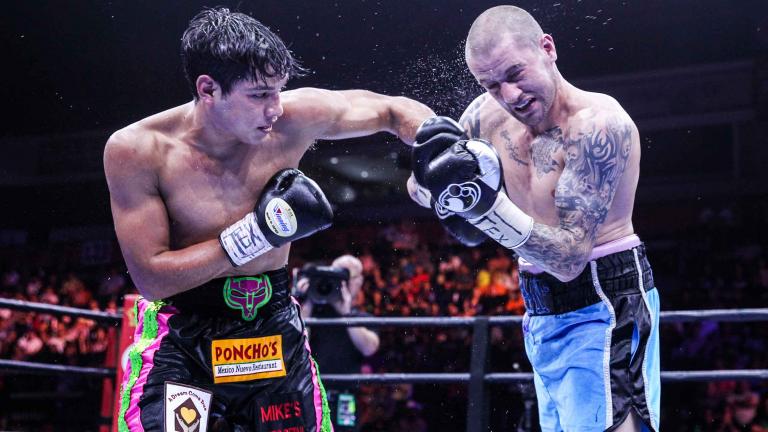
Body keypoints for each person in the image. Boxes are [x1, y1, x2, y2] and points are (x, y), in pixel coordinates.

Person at [104, 7, 433, 432]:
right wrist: (255, 234)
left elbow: (390, 110)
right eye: (259, 94)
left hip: (272, 323)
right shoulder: (139, 150)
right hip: (184, 333)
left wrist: (441, 146)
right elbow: (151, 278)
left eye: (279, 90)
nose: (275, 108)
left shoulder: (292, 120)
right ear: (208, 89)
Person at [408, 5, 660, 432]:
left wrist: (484, 207)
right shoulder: (486, 115)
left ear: (548, 48)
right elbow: (421, 189)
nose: (509, 95)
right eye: (490, 85)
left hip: (603, 298)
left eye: (514, 73)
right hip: (540, 307)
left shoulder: (597, 126)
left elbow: (569, 258)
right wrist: (430, 174)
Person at [295, 255, 380, 431]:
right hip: (312, 396)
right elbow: (297, 345)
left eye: (347, 277)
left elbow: (370, 348)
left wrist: (346, 314)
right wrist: (309, 301)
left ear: (359, 281)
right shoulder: (310, 314)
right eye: (337, 277)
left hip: (345, 398)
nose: (342, 284)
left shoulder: (361, 318)